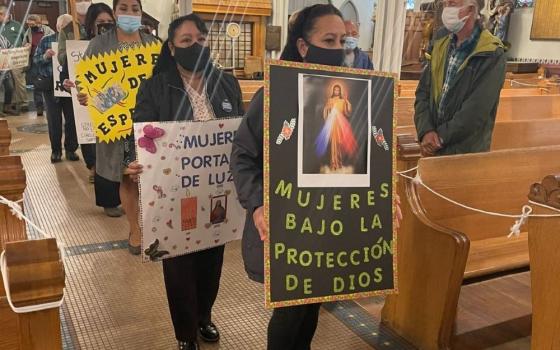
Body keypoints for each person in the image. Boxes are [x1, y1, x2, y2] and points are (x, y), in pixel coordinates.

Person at [125, 14, 244, 350]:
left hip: (217, 188)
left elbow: (241, 132)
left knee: (212, 259)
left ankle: (204, 316)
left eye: (202, 39)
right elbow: (136, 132)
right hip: (171, 191)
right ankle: (185, 333)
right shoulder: (156, 86)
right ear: (172, 49)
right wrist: (130, 161)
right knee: (178, 263)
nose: (196, 45)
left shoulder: (226, 83)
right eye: (187, 41)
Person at [231, 5, 346, 350]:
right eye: (328, 39)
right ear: (302, 46)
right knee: (291, 310)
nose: (338, 47)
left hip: (331, 221)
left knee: (311, 306)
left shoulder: (351, 94)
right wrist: (257, 204)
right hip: (288, 221)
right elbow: (242, 156)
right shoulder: (275, 96)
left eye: (342, 39)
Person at [75, 0, 158, 253]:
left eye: (135, 9)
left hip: (150, 123)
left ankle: (156, 227)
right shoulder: (99, 45)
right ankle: (135, 228)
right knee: (128, 179)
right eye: (124, 8)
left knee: (153, 177)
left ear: (141, 13)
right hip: (118, 125)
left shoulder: (154, 45)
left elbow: (166, 80)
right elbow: (86, 83)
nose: (130, 14)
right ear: (115, 12)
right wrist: (86, 94)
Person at [415, 0, 506, 156]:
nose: (446, 9)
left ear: (470, 9)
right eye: (445, 4)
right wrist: (426, 131)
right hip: (433, 150)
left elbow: (476, 110)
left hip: (465, 153)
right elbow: (423, 92)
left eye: (452, 3)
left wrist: (440, 138)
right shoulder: (440, 42)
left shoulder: (492, 53)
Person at [33, 15, 78, 163]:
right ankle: (56, 151)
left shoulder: (75, 39)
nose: (65, 28)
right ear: (57, 26)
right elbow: (36, 60)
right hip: (50, 85)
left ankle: (71, 149)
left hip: (69, 85)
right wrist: (45, 56)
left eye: (68, 25)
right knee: (54, 120)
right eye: (62, 25)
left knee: (72, 119)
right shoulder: (46, 40)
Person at [316, 84, 357, 170]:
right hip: (332, 124)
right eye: (335, 90)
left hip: (340, 124)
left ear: (340, 91)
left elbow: (347, 112)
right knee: (333, 144)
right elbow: (326, 112)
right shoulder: (330, 100)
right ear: (333, 91)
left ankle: (339, 162)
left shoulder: (342, 101)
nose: (337, 92)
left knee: (339, 143)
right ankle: (333, 163)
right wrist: (327, 109)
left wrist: (346, 101)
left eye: (338, 90)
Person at [24, 14, 55, 116]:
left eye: (33, 25)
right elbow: (23, 44)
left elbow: (55, 43)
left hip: (47, 62)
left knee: (49, 83)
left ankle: (52, 105)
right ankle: (39, 107)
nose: (31, 27)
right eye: (29, 25)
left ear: (39, 23)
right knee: (36, 85)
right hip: (34, 61)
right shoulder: (28, 32)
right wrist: (26, 46)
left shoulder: (49, 31)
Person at [0, 5, 24, 115]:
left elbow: (11, 45)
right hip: (1, 62)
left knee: (11, 85)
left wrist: (24, 49)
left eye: (1, 14)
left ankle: (10, 106)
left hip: (11, 60)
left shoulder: (15, 26)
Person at [0, 33, 14, 117]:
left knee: (10, 88)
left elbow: (11, 46)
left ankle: (7, 107)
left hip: (5, 69)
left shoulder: (2, 37)